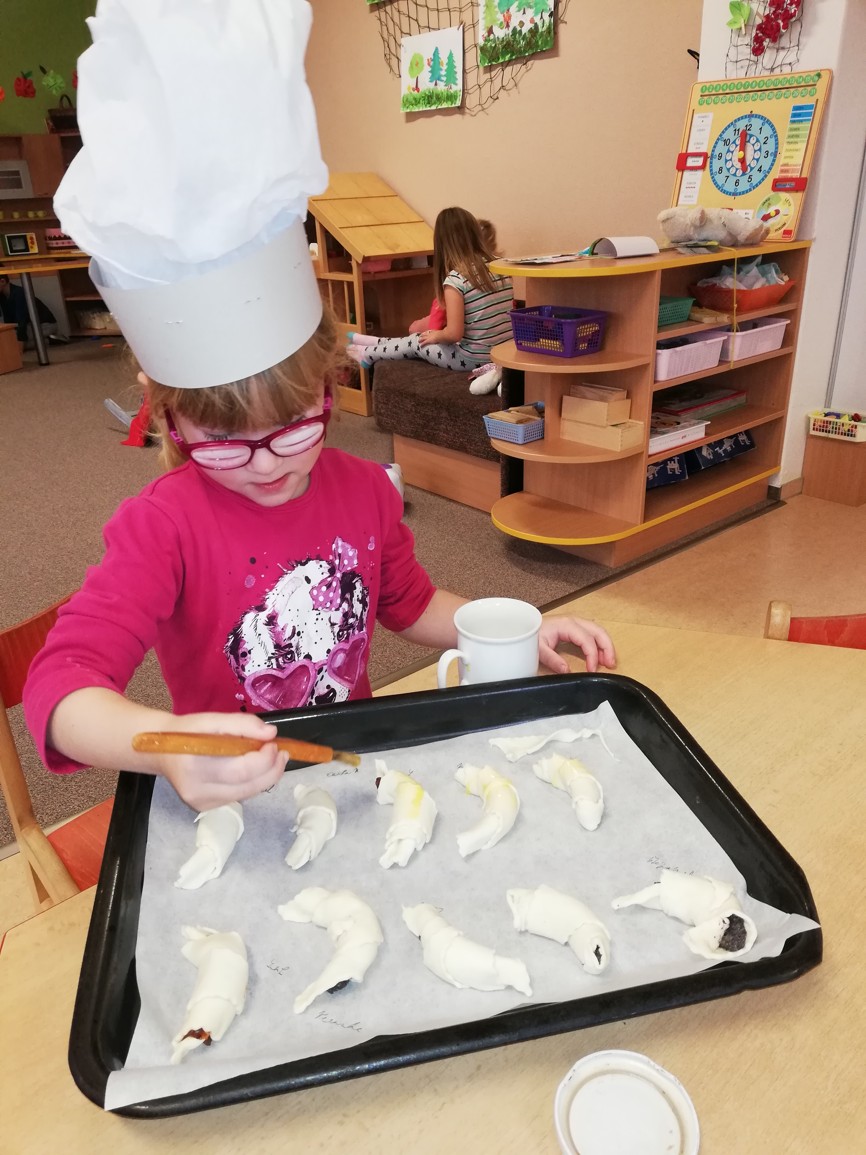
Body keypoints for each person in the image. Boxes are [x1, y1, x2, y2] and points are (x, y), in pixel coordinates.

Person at [23, 0, 615, 817]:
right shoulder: (163, 527)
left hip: (347, 774)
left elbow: (412, 604)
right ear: (170, 420)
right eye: (225, 442)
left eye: (294, 428)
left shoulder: (366, 491)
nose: (266, 461)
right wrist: (164, 743)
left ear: (329, 391)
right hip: (234, 802)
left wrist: (508, 629)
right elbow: (60, 688)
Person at [347, 207, 513, 372]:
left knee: (417, 342)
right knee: (418, 337)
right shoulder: (500, 266)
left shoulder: (457, 280)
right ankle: (377, 343)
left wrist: (438, 334)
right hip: (500, 353)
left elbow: (454, 334)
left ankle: (368, 354)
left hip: (472, 359)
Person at [0, 273, 60, 345]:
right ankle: (45, 340)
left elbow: (21, 320)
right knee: (8, 340)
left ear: (3, 281)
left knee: (14, 344)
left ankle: (50, 340)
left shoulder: (19, 293)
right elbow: (8, 321)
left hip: (45, 325)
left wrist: (18, 341)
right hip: (29, 325)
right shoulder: (3, 296)